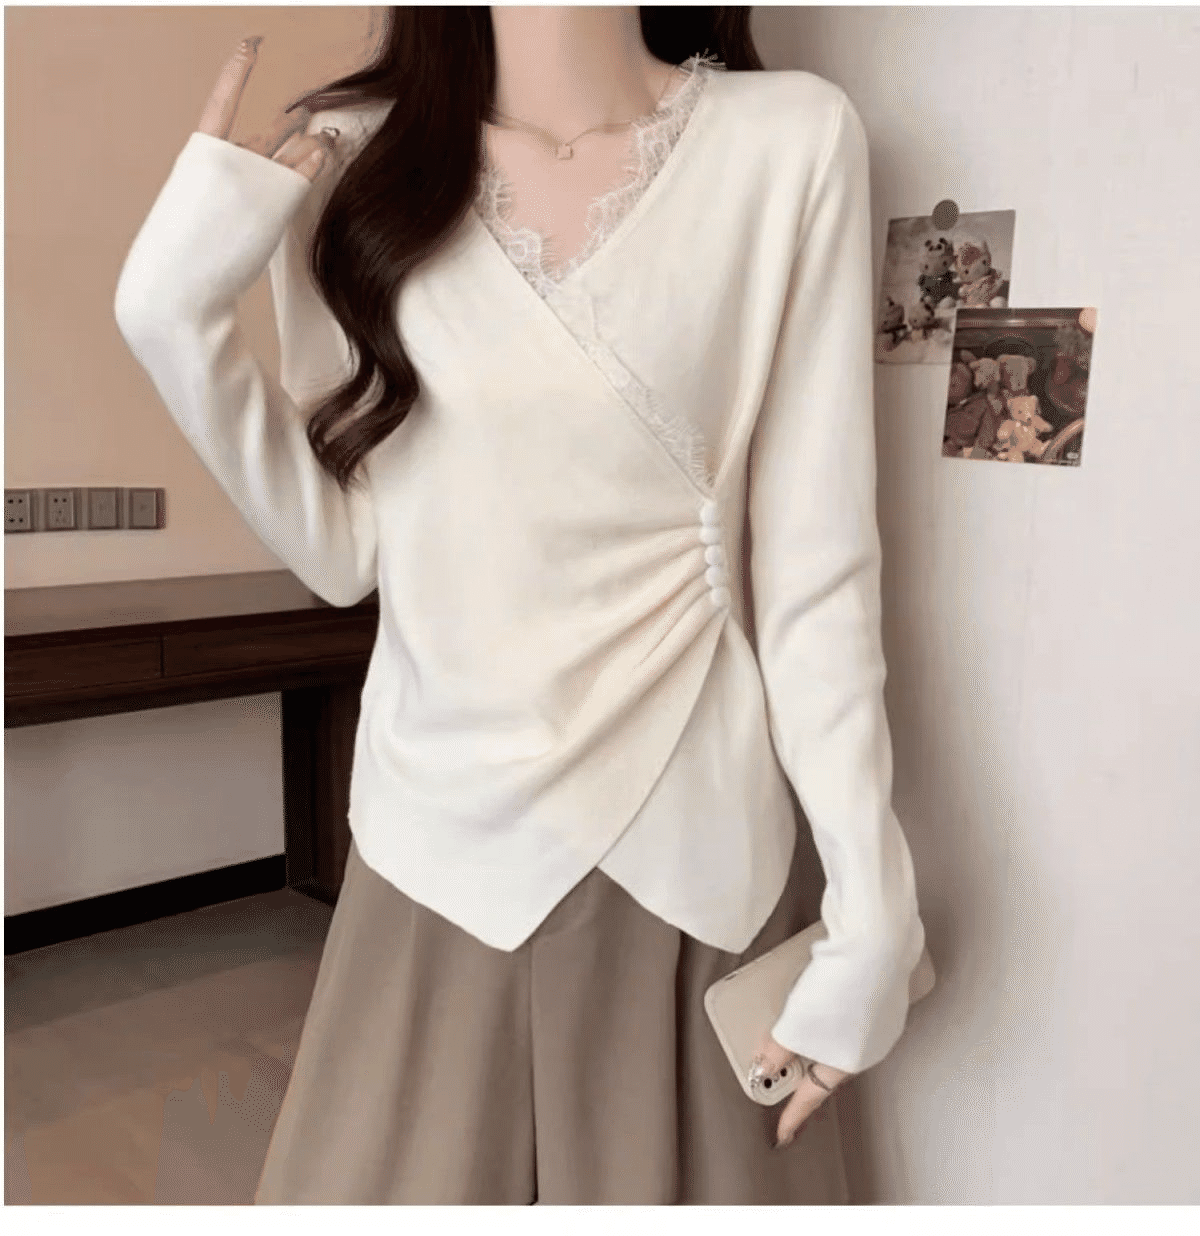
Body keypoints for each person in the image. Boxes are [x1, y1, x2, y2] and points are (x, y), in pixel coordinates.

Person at [114, 6, 928, 1204]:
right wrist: (170, 319)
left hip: (689, 844)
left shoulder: (791, 139)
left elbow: (817, 574)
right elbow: (346, 551)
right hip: (439, 843)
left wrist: (875, 911)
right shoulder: (351, 154)